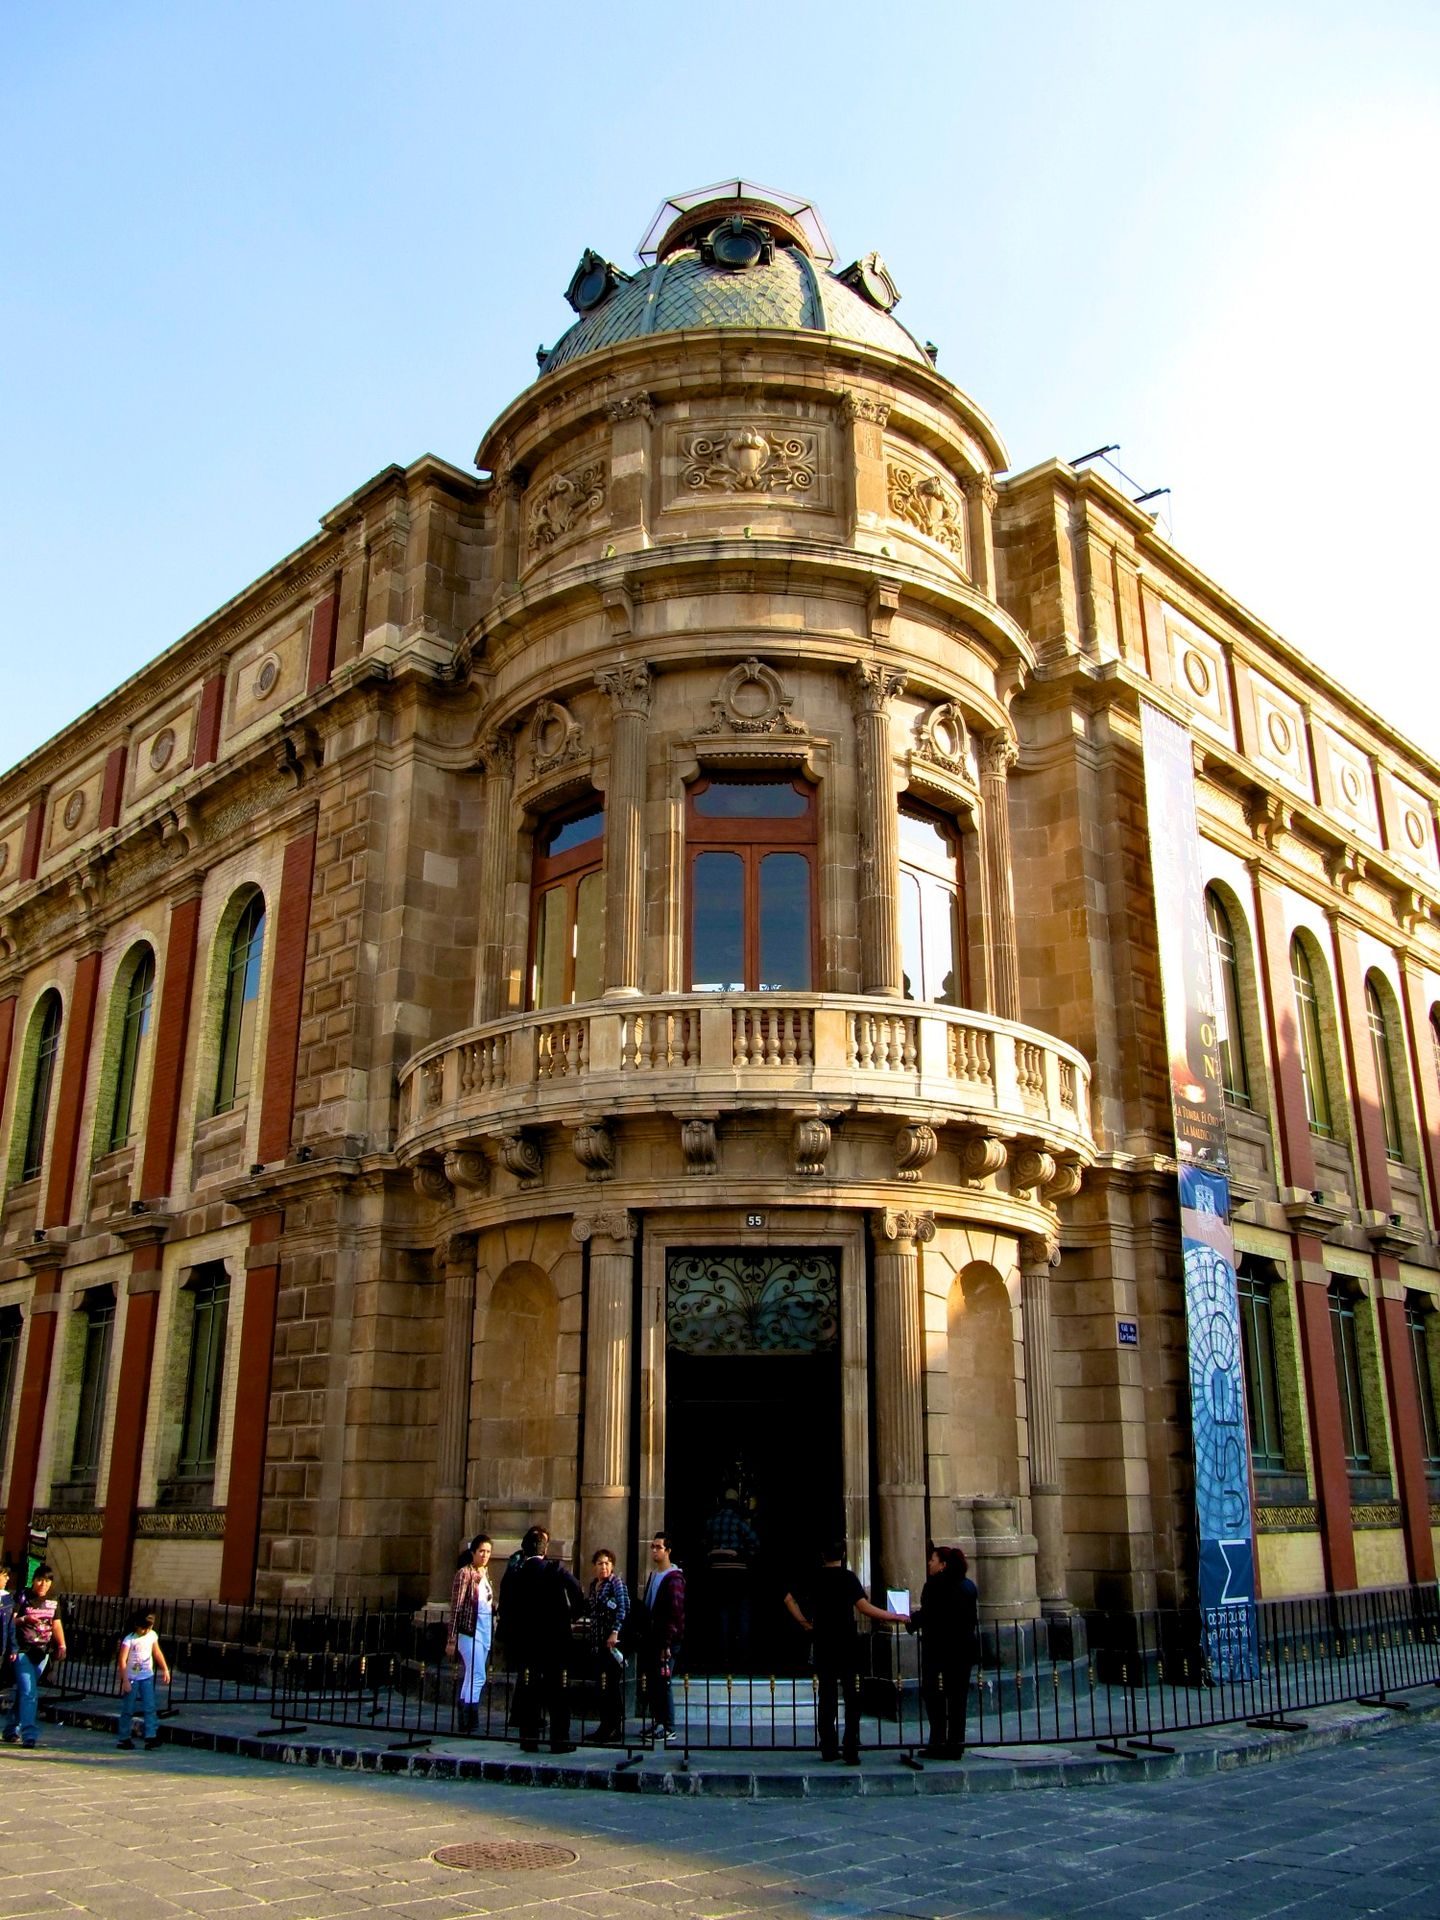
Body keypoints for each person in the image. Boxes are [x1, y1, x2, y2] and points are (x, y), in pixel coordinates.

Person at [784, 1542, 904, 1765]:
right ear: (843, 1554)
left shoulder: (815, 1576)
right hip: (847, 1642)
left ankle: (828, 1746)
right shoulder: (848, 1578)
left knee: (826, 1695)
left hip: (823, 1640)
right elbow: (864, 1607)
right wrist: (893, 1616)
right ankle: (850, 1746)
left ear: (822, 1555)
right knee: (852, 1695)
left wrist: (804, 1624)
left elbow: (789, 1599)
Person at [500, 1526, 584, 1753]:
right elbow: (577, 1590)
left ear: (524, 1550)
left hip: (526, 1643)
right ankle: (560, 1740)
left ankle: (529, 1739)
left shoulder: (515, 1574)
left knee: (529, 1689)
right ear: (544, 1550)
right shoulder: (555, 1570)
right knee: (558, 1691)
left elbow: (505, 1606)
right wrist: (572, 1616)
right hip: (555, 1642)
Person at [908, 1543, 980, 1758]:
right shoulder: (968, 1586)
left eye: (933, 1559)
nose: (929, 1563)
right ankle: (956, 1743)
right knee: (958, 1699)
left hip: (939, 1651)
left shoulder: (934, 1586)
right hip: (963, 1649)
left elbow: (930, 1615)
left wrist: (908, 1619)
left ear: (943, 1565)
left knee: (933, 1695)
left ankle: (938, 1742)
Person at [2, 1564, 66, 1749]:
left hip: (42, 1652)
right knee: (30, 1692)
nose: (42, 1585)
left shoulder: (53, 1600)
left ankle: (10, 1729)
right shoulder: (23, 1597)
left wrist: (62, 1644)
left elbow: (57, 1624)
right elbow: (10, 1620)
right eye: (39, 1580)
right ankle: (29, 1733)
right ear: (34, 1580)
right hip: (23, 1651)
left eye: (47, 1581)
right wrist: (25, 1620)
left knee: (24, 1692)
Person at [637, 1531, 686, 1741]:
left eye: (659, 1547)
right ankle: (658, 1722)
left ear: (668, 1550)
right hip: (653, 1637)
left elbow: (674, 1613)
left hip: (667, 1641)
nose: (655, 1550)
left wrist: (667, 1642)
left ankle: (668, 1726)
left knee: (663, 1682)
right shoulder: (654, 1575)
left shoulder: (673, 1578)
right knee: (656, 1682)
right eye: (653, 1547)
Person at [446, 1533, 496, 1735]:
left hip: (484, 1629)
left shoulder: (485, 1574)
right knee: (478, 1675)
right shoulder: (464, 1574)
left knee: (471, 1675)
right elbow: (456, 1606)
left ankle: (464, 1719)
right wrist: (451, 1637)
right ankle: (472, 1719)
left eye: (488, 1552)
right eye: (481, 1551)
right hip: (469, 1629)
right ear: (473, 1552)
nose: (485, 1555)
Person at [703, 1490, 759, 1669]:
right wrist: (743, 1556)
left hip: (716, 1573)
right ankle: (743, 1657)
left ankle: (723, 1657)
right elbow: (755, 1542)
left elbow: (703, 1542)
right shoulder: (739, 1521)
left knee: (722, 1614)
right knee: (742, 1614)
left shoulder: (711, 1521)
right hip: (738, 1573)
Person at [585, 1547, 629, 1742]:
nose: (604, 1567)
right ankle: (604, 1725)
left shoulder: (615, 1583)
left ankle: (614, 1726)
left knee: (611, 1685)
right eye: (600, 1563)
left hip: (612, 1644)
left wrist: (615, 1631)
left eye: (607, 1563)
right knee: (601, 1687)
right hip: (596, 1642)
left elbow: (623, 1607)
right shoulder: (594, 1585)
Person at [116, 1609, 171, 1751]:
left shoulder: (152, 1636)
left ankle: (151, 1736)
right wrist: (125, 1680)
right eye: (143, 1628)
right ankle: (124, 1737)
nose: (145, 1631)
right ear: (137, 1626)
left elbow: (157, 1652)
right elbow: (122, 1660)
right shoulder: (130, 1639)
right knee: (128, 1708)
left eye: (148, 1628)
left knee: (150, 1706)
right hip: (132, 1678)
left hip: (146, 1675)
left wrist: (164, 1668)